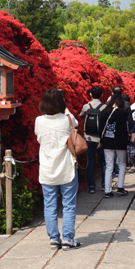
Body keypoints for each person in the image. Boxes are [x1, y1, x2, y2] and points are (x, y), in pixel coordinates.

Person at [34, 89, 82, 250]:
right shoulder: (67, 119)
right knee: (69, 204)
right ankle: (68, 239)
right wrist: (65, 110)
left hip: (47, 169)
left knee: (49, 205)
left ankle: (54, 239)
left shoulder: (39, 121)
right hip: (67, 168)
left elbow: (39, 137)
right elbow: (74, 124)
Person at [100, 93, 131, 197]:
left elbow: (100, 127)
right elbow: (126, 128)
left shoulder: (104, 112)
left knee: (109, 166)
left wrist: (102, 140)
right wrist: (127, 141)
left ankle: (108, 191)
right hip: (120, 142)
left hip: (107, 142)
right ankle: (120, 188)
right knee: (122, 164)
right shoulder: (122, 113)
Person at [79, 86, 106, 194]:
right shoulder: (104, 107)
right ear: (102, 95)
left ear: (90, 94)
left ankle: (91, 186)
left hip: (88, 138)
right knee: (103, 163)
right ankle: (104, 185)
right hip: (100, 140)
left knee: (90, 163)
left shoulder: (86, 106)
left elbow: (81, 116)